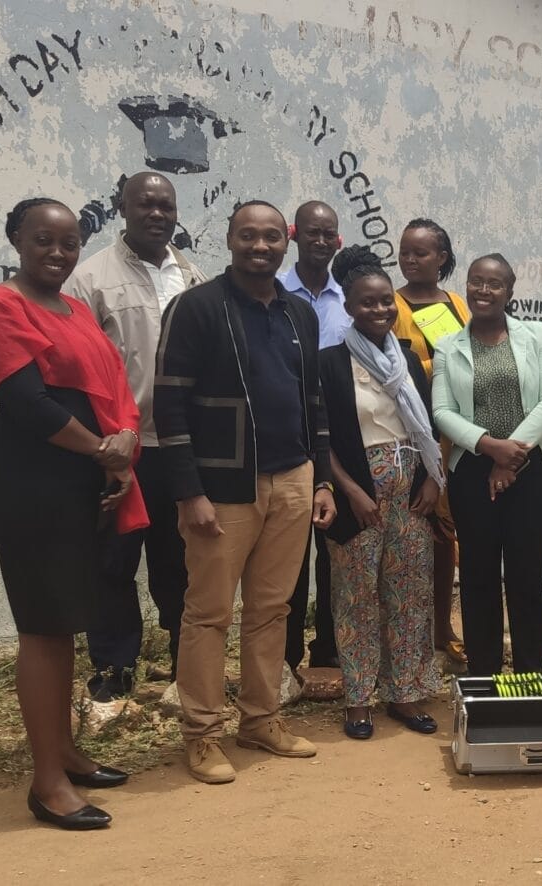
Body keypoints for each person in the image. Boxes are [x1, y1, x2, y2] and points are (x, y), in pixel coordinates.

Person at [0, 197, 145, 829]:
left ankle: (64, 751)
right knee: (43, 626)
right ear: (16, 238)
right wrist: (103, 450)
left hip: (82, 478)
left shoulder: (73, 308)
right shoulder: (0, 307)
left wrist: (120, 453)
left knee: (68, 619)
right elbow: (28, 402)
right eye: (43, 240)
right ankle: (46, 783)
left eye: (69, 244)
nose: (58, 253)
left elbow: (113, 385)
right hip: (31, 481)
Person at [156, 200, 337, 784]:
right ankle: (203, 734)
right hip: (222, 486)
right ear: (229, 240)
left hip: (293, 479)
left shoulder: (297, 314)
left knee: (272, 610)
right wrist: (188, 491)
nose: (259, 247)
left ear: (284, 242)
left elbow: (314, 403)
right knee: (208, 613)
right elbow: (169, 401)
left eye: (269, 238)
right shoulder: (197, 307)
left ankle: (260, 719)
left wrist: (323, 478)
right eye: (246, 236)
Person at [65, 172, 207, 700]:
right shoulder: (91, 279)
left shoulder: (192, 275)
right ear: (122, 209)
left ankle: (183, 660)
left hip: (178, 445)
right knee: (113, 560)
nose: (156, 213)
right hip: (117, 447)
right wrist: (106, 446)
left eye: (165, 205)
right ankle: (113, 666)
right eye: (144, 204)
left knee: (181, 559)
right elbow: (79, 370)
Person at [319, 245, 447, 739]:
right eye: (367, 303)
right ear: (348, 307)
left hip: (412, 486)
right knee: (355, 597)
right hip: (361, 495)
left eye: (385, 302)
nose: (379, 310)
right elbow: (321, 438)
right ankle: (358, 698)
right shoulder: (330, 363)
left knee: (410, 593)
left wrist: (435, 479)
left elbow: (426, 426)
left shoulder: (409, 360)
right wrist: (351, 490)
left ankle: (407, 693)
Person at [431, 253, 542, 676]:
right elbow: (442, 411)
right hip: (472, 472)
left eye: (494, 283)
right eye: (476, 282)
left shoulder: (536, 335)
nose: (484, 290)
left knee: (527, 576)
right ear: (466, 286)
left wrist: (511, 456)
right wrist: (489, 447)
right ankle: (483, 675)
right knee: (477, 576)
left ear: (510, 290)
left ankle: (529, 674)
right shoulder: (447, 346)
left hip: (532, 471)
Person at [391, 218, 472, 669]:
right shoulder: (392, 303)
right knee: (410, 537)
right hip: (410, 437)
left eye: (420, 252)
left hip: (456, 437)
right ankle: (407, 632)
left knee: (446, 539)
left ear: (441, 258)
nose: (410, 259)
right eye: (405, 251)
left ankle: (443, 628)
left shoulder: (458, 303)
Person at [279, 201, 347, 677]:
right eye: (313, 232)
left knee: (334, 551)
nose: (321, 241)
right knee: (286, 557)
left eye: (329, 234)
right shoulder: (274, 292)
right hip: (288, 432)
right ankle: (284, 658)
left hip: (340, 439)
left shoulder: (351, 299)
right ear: (294, 234)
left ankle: (328, 647)